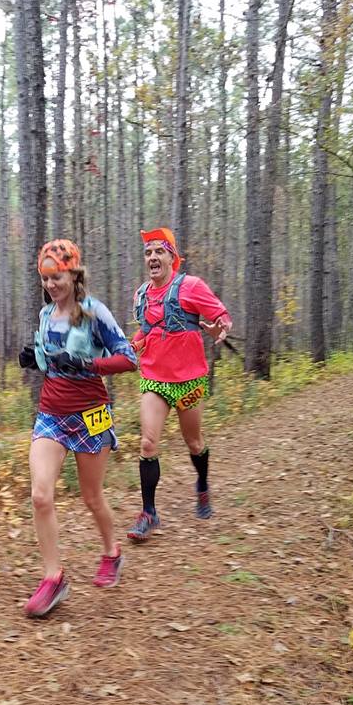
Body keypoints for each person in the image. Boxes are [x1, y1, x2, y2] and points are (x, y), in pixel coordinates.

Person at [18, 239, 137, 617]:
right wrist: (33, 359)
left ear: (74, 273)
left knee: (91, 496)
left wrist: (89, 365)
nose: (52, 284)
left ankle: (111, 552)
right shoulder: (44, 315)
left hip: (92, 414)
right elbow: (50, 360)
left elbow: (128, 358)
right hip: (52, 414)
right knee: (40, 495)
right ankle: (54, 578)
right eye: (46, 278)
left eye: (58, 276)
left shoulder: (93, 312)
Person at [126, 227, 232, 539]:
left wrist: (220, 329)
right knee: (147, 442)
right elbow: (146, 330)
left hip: (189, 381)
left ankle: (201, 485)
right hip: (155, 379)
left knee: (194, 442)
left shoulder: (192, 286)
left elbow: (222, 317)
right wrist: (130, 346)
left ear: (173, 257)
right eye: (148, 253)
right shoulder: (142, 294)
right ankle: (148, 513)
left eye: (159, 251)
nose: (153, 258)